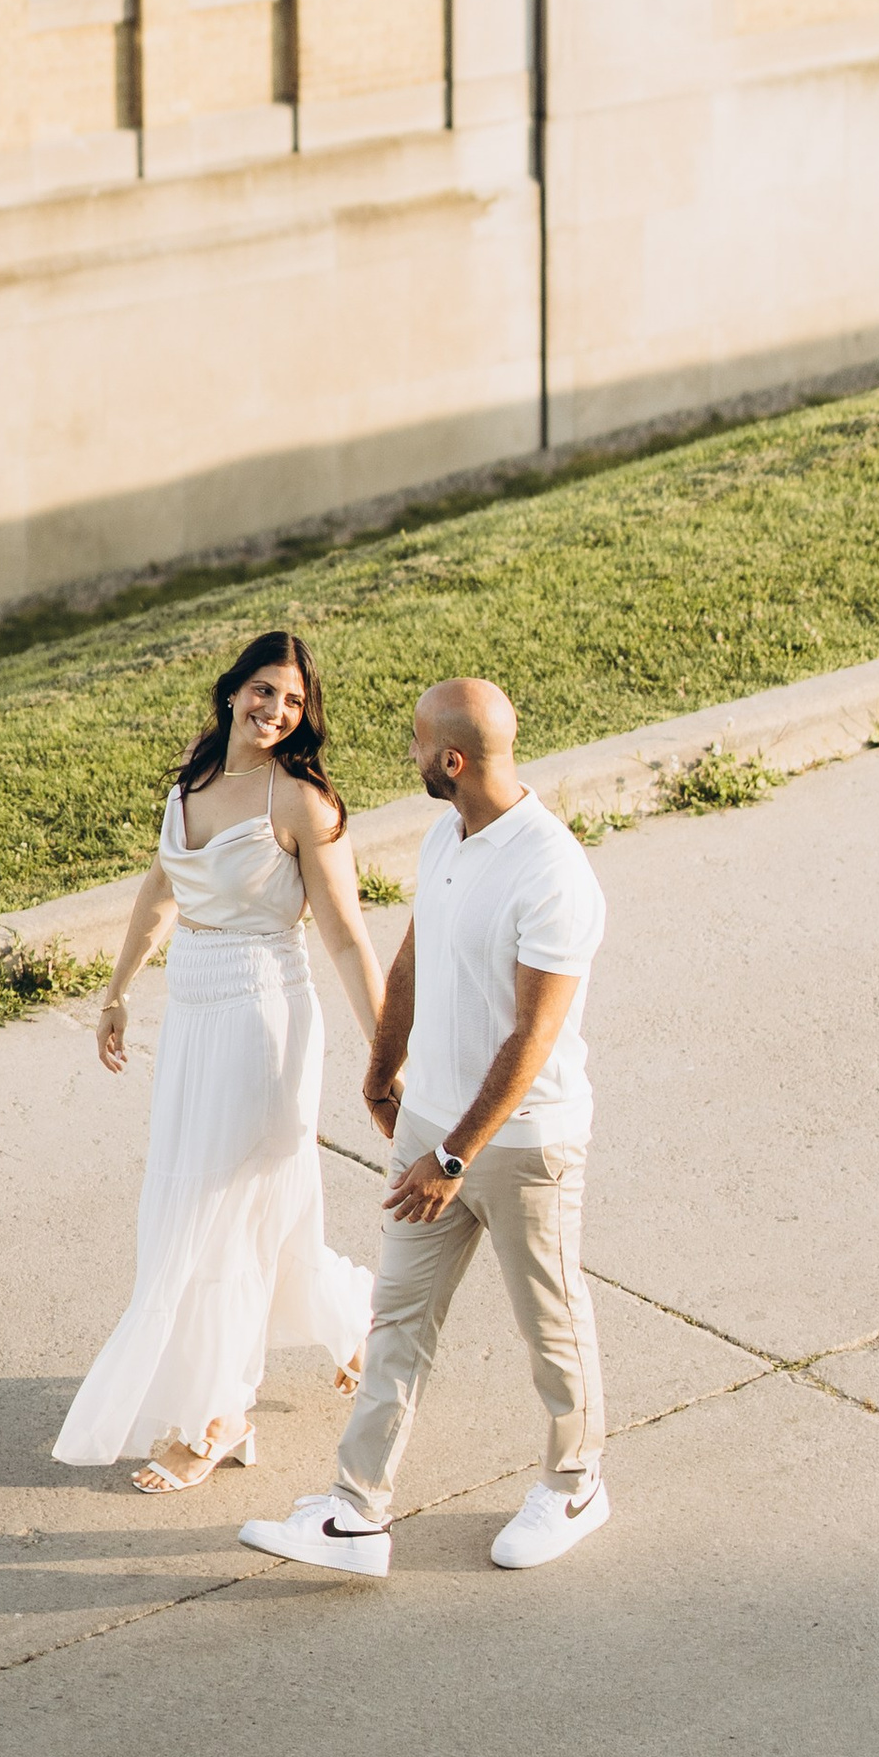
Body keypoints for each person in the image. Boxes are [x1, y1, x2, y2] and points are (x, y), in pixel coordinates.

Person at [240, 674, 610, 1580]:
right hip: (431, 1134)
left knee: (550, 1324)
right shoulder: (451, 834)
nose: (406, 756)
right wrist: (381, 1066)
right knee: (397, 1319)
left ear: (452, 759)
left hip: (520, 1149)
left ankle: (575, 1484)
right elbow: (415, 948)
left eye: (415, 743)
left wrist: (453, 1153)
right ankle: (358, 1514)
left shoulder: (553, 872)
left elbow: (534, 1036)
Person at [54, 629, 388, 1491]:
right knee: (207, 1203)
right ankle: (361, 1328)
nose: (275, 711)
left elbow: (347, 939)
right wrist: (119, 992)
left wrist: (389, 1055)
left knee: (220, 1215)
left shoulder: (302, 802)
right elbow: (162, 892)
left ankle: (219, 1412)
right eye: (265, 691)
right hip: (196, 1015)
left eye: (293, 701)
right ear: (233, 689)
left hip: (264, 1016)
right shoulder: (195, 779)